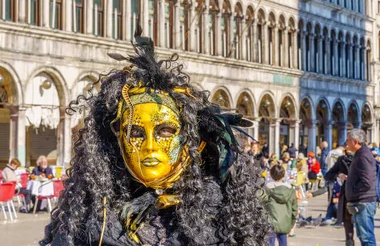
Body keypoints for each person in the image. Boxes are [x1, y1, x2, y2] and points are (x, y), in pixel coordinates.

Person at [42, 34, 269, 245]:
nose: (150, 146)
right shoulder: (90, 219)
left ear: (191, 139)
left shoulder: (222, 214)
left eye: (165, 132)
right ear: (118, 137)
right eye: (136, 133)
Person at [345, 129, 377, 246]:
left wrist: (353, 189)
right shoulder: (360, 154)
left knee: (367, 237)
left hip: (364, 202)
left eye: (348, 140)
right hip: (362, 201)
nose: (346, 143)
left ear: (355, 141)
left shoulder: (363, 156)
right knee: (363, 236)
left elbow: (367, 182)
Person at [323, 148, 354, 246]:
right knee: (348, 223)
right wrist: (339, 175)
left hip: (360, 195)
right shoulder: (341, 160)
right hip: (347, 195)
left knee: (362, 230)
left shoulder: (362, 158)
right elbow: (328, 175)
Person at [261, 164, 298, 246]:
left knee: (270, 243)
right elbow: (294, 209)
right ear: (284, 175)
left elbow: (260, 205)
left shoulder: (266, 188)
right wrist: (291, 224)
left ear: (270, 175)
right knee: (283, 243)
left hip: (270, 222)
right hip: (285, 222)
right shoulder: (290, 190)